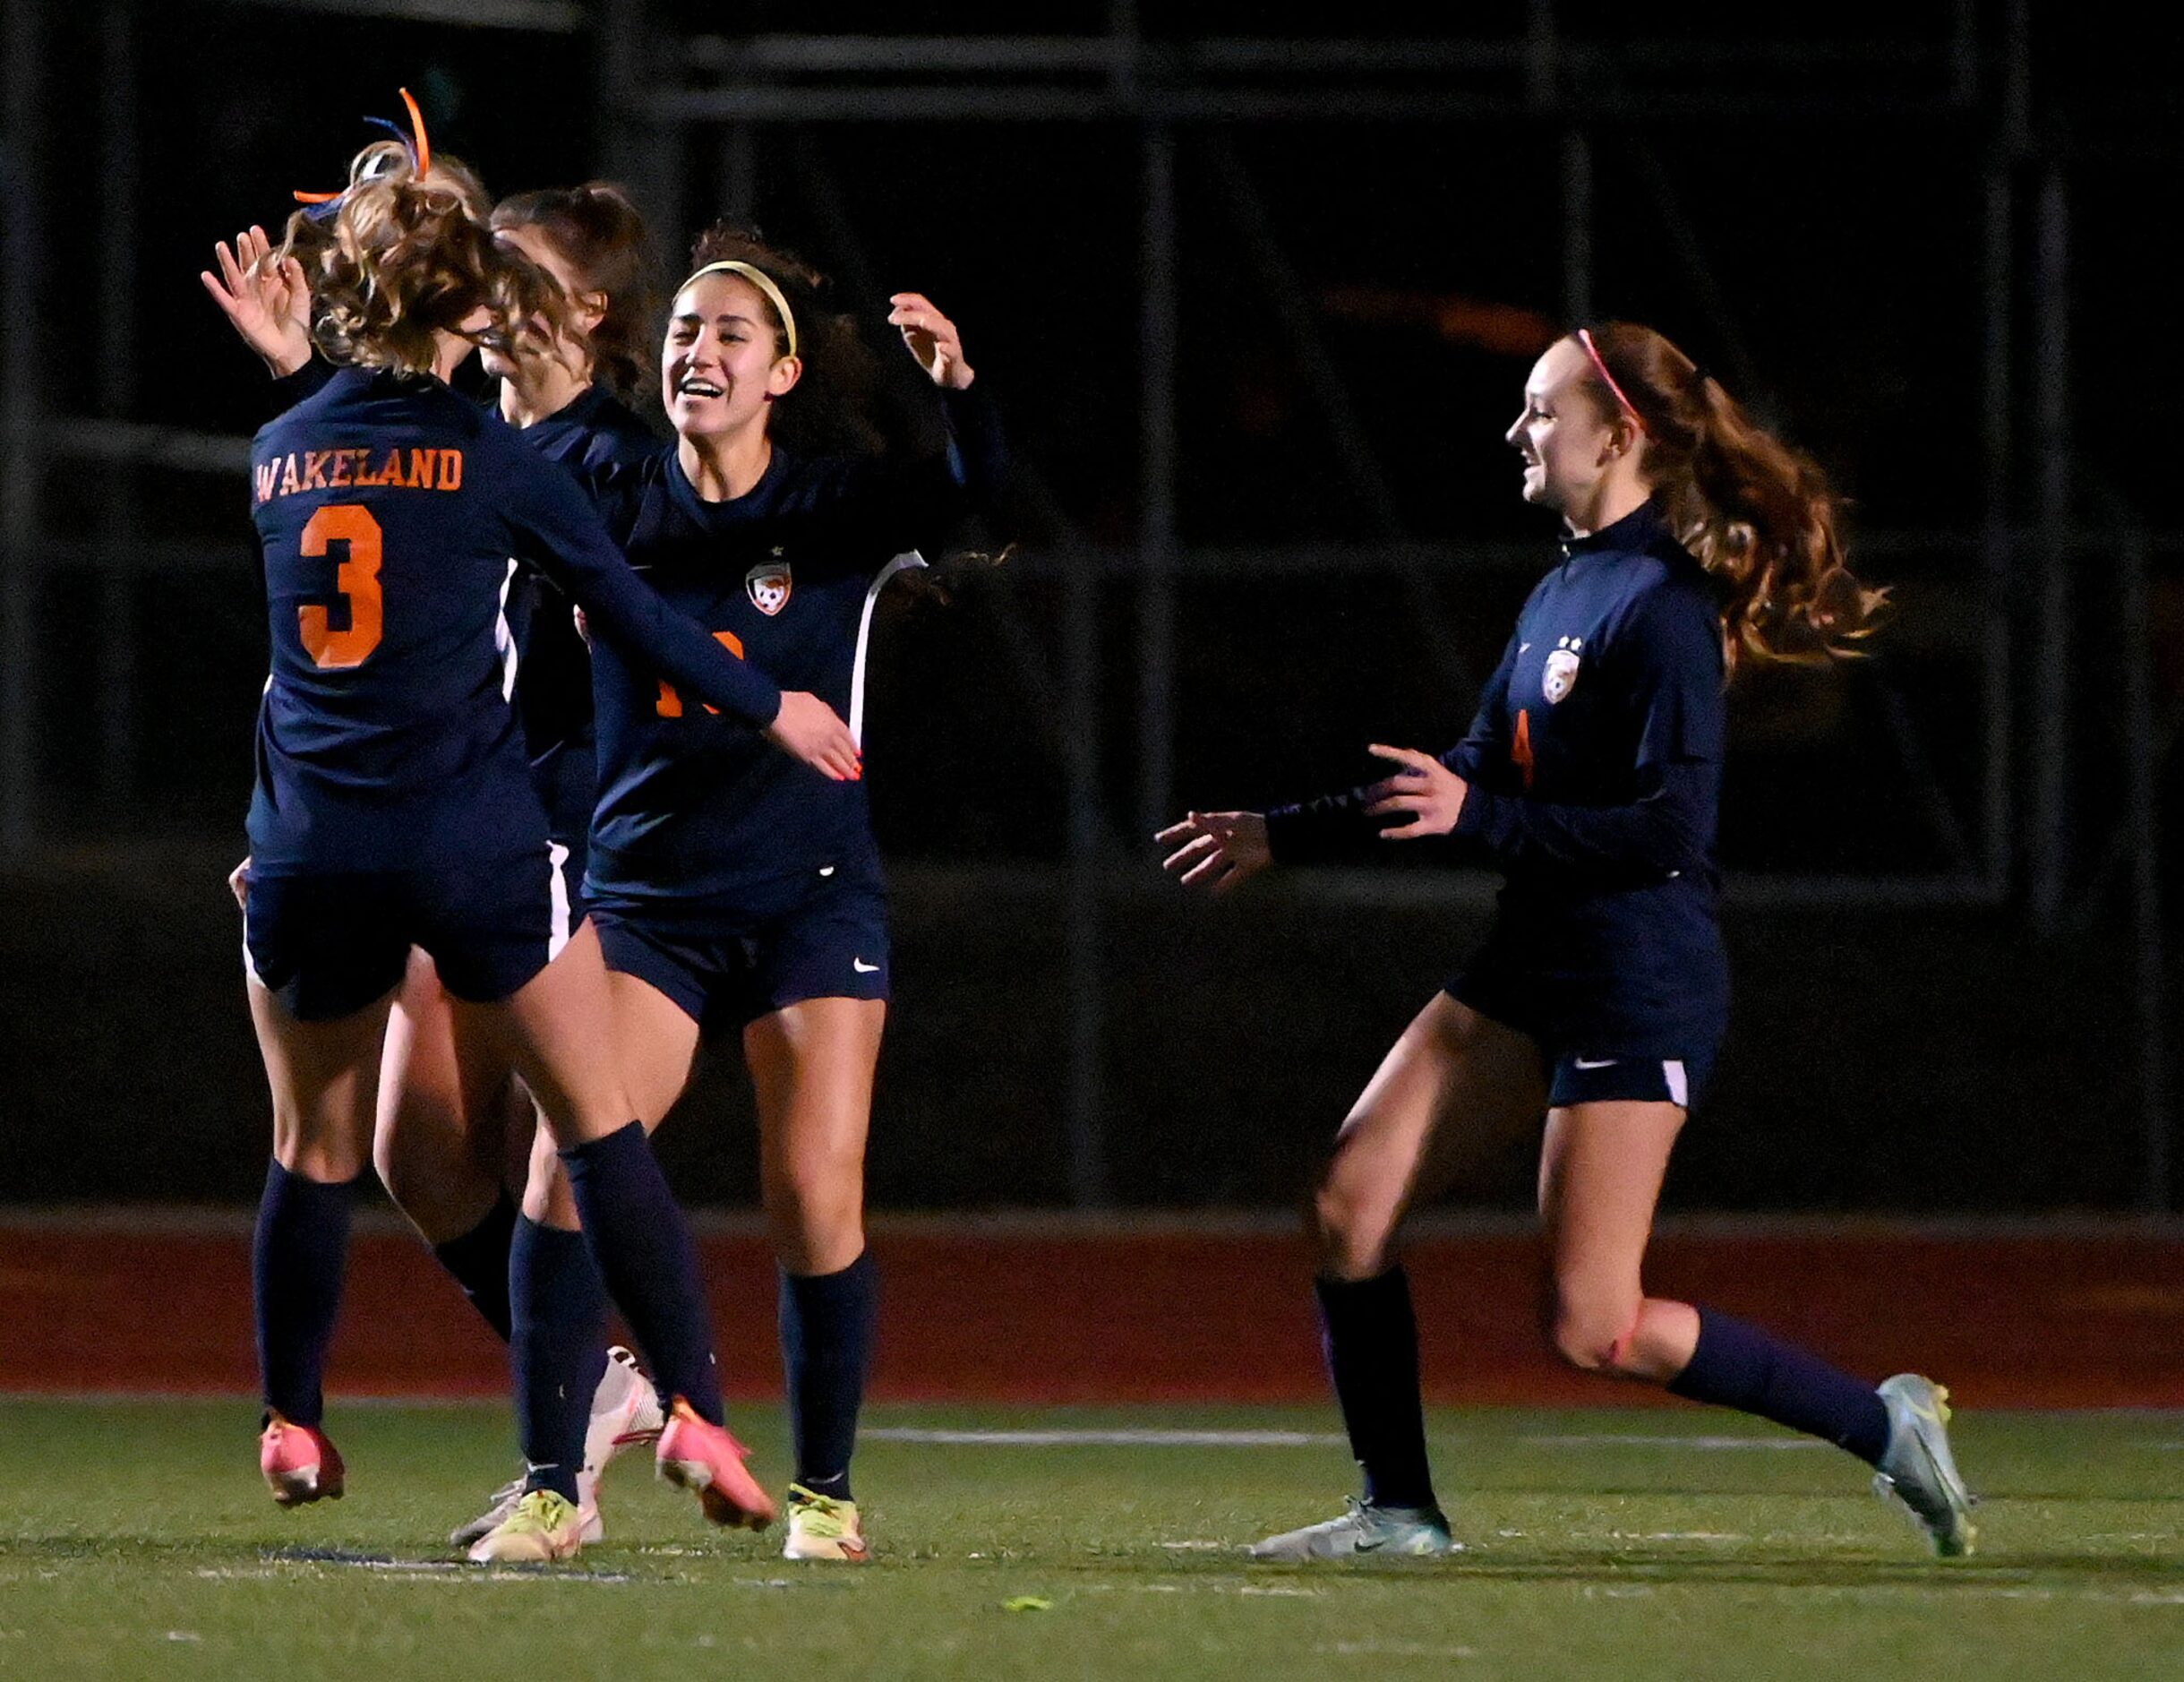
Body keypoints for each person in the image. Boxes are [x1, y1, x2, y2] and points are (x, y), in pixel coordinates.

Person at [1159, 322, 1976, 1561]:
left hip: (1632, 981)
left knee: (1595, 1325)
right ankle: (1397, 1512)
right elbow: (1468, 777)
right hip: (1534, 961)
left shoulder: (1663, 609)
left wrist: (1480, 811)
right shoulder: (1563, 588)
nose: (1517, 432)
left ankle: (1881, 1421)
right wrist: (1285, 832)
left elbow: (1667, 834)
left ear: (1621, 433)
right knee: (1350, 1204)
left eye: (1541, 411)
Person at [233, 125, 862, 1563]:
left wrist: (301, 375)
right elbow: (624, 610)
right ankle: (683, 1403)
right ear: (466, 306)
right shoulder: (500, 457)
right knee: (569, 1137)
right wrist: (772, 702)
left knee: (326, 1146)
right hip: (476, 838)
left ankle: (306, 1413)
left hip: (324, 837)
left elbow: (334, 569)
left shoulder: (283, 450)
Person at [500, 221, 999, 1565]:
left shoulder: (831, 506)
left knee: (813, 1194)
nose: (698, 352)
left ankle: (826, 1496)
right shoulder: (611, 484)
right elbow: (517, 437)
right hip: (651, 896)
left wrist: (956, 393)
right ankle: (553, 1485)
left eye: (730, 335)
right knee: (563, 1169)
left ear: (782, 371)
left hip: (808, 896)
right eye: (681, 333)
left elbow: (965, 501)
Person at [205, 175, 678, 1549]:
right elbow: (344, 614)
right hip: (459, 830)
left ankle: (592, 1460)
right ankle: (608, 1398)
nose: (472, 288)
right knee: (419, 1149)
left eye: (495, 264)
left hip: (585, 838)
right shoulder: (466, 436)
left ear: (579, 310)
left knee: (566, 1156)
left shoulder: (597, 452)